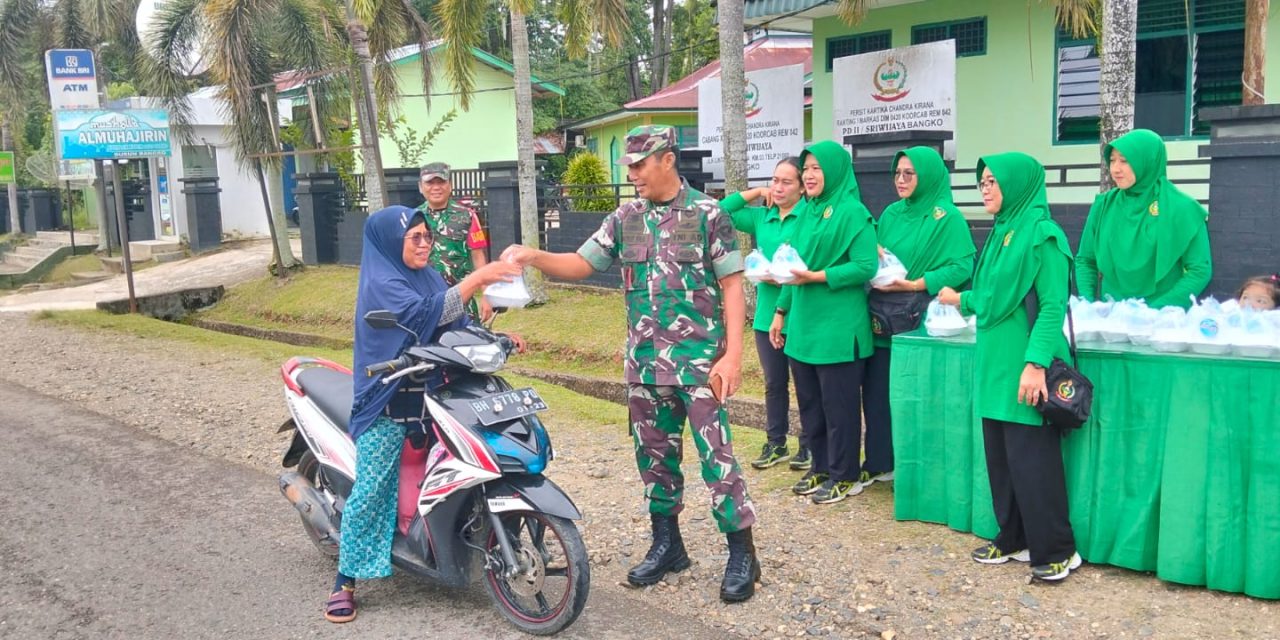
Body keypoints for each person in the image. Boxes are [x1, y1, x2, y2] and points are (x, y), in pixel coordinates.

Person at [501, 125, 761, 603]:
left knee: (717, 459)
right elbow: (582, 264)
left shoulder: (709, 214)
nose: (634, 174)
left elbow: (732, 286)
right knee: (654, 461)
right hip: (644, 364)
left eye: (640, 164)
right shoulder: (626, 217)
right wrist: (532, 255)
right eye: (630, 166)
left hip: (699, 365)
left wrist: (734, 355)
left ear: (668, 159)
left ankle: (741, 551)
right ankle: (668, 545)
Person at [324, 205, 521, 623]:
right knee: (373, 486)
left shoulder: (427, 275)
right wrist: (476, 278)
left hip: (433, 392)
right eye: (413, 237)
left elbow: (454, 320)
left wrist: (496, 338)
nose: (424, 243)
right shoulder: (382, 281)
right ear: (391, 243)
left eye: (426, 236)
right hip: (388, 397)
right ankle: (345, 580)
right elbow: (420, 315)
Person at [937, 152, 1081, 582]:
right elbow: (992, 297)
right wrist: (961, 300)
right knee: (1002, 460)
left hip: (1024, 366)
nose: (985, 189)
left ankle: (1057, 549)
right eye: (981, 182)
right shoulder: (1001, 232)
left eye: (993, 182)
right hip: (994, 366)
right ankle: (1013, 535)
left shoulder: (1043, 235)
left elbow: (1054, 306)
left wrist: (1035, 364)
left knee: (1033, 462)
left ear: (1018, 185)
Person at [769, 140, 878, 505]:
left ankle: (844, 474)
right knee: (811, 404)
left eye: (817, 168)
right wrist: (780, 313)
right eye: (807, 168)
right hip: (803, 327)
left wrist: (816, 277)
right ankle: (820, 466)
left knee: (839, 407)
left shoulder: (853, 212)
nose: (810, 175)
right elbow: (791, 266)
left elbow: (866, 266)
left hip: (837, 329)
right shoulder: (808, 211)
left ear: (834, 171)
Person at [865, 147, 976, 484]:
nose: (900, 180)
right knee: (878, 392)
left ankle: (919, 468)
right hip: (883, 316)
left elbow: (962, 266)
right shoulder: (891, 213)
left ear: (927, 176)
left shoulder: (947, 217)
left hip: (919, 318)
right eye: (897, 173)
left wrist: (916, 282)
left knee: (918, 393)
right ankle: (881, 461)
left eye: (909, 174)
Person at [720, 157, 810, 471]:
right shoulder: (763, 217)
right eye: (775, 180)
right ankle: (776, 442)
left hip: (799, 311)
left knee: (804, 384)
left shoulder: (809, 217)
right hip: (765, 313)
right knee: (774, 383)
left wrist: (784, 277)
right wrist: (756, 191)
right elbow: (723, 211)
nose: (779, 187)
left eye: (787, 182)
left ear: (801, 187)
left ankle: (809, 444)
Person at [1075, 129, 1211, 309]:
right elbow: (1085, 260)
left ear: (1147, 161)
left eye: (1124, 161)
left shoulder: (1181, 208)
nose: (1115, 169)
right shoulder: (1104, 205)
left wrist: (1155, 312)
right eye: (1112, 160)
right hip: (1111, 316)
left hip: (1163, 320)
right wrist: (1088, 304)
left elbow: (1200, 270)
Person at [416, 161, 495, 321]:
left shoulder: (467, 216)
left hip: (462, 300)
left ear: (450, 185)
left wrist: (487, 295)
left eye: (441, 182)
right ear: (420, 187)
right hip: (424, 301)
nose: (436, 187)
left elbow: (478, 256)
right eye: (430, 183)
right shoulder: (413, 217)